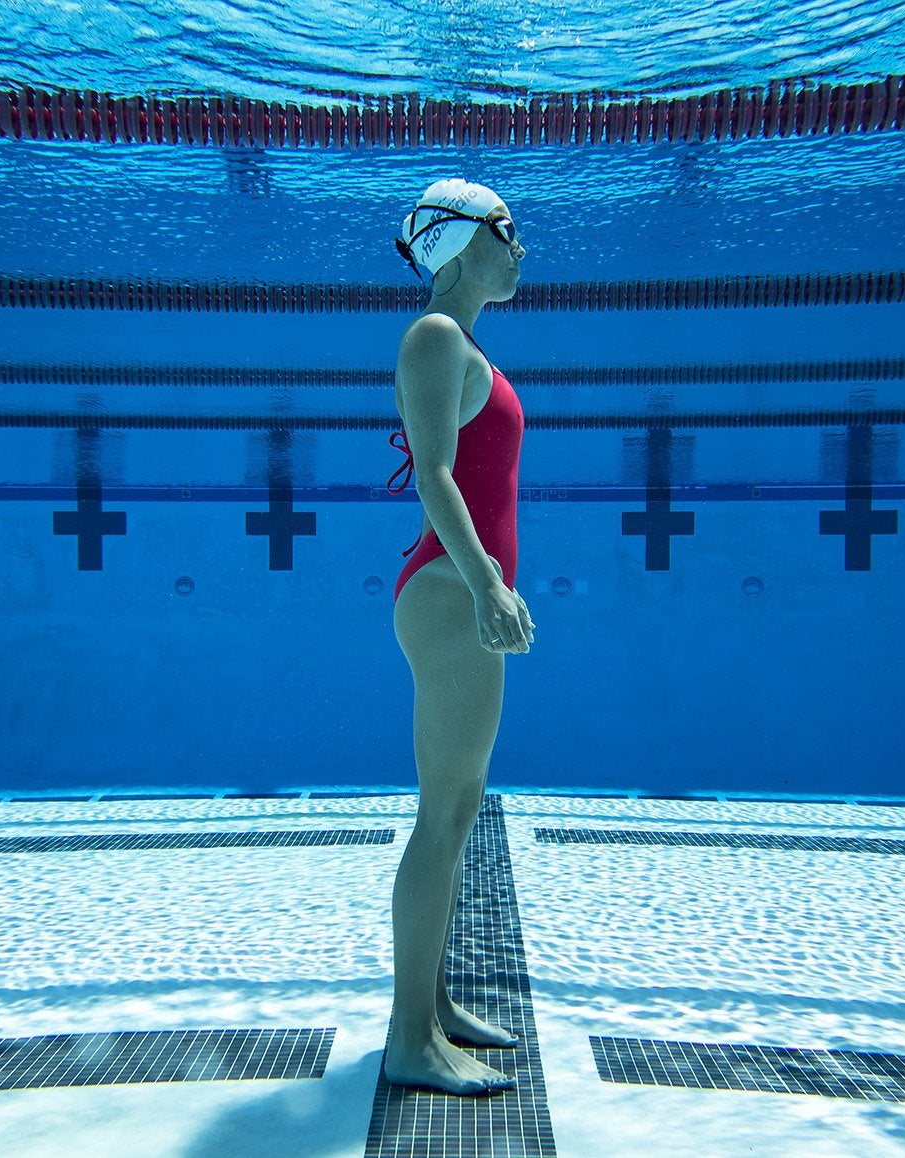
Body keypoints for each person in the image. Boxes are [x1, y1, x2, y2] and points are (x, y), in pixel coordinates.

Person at [381, 178, 536, 1096]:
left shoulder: (460, 341)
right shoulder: (436, 336)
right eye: (507, 231)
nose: (521, 248)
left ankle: (432, 1008)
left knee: (460, 809)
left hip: (453, 588)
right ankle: (410, 1039)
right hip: (449, 590)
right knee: (442, 817)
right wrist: (489, 587)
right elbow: (436, 477)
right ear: (461, 241)